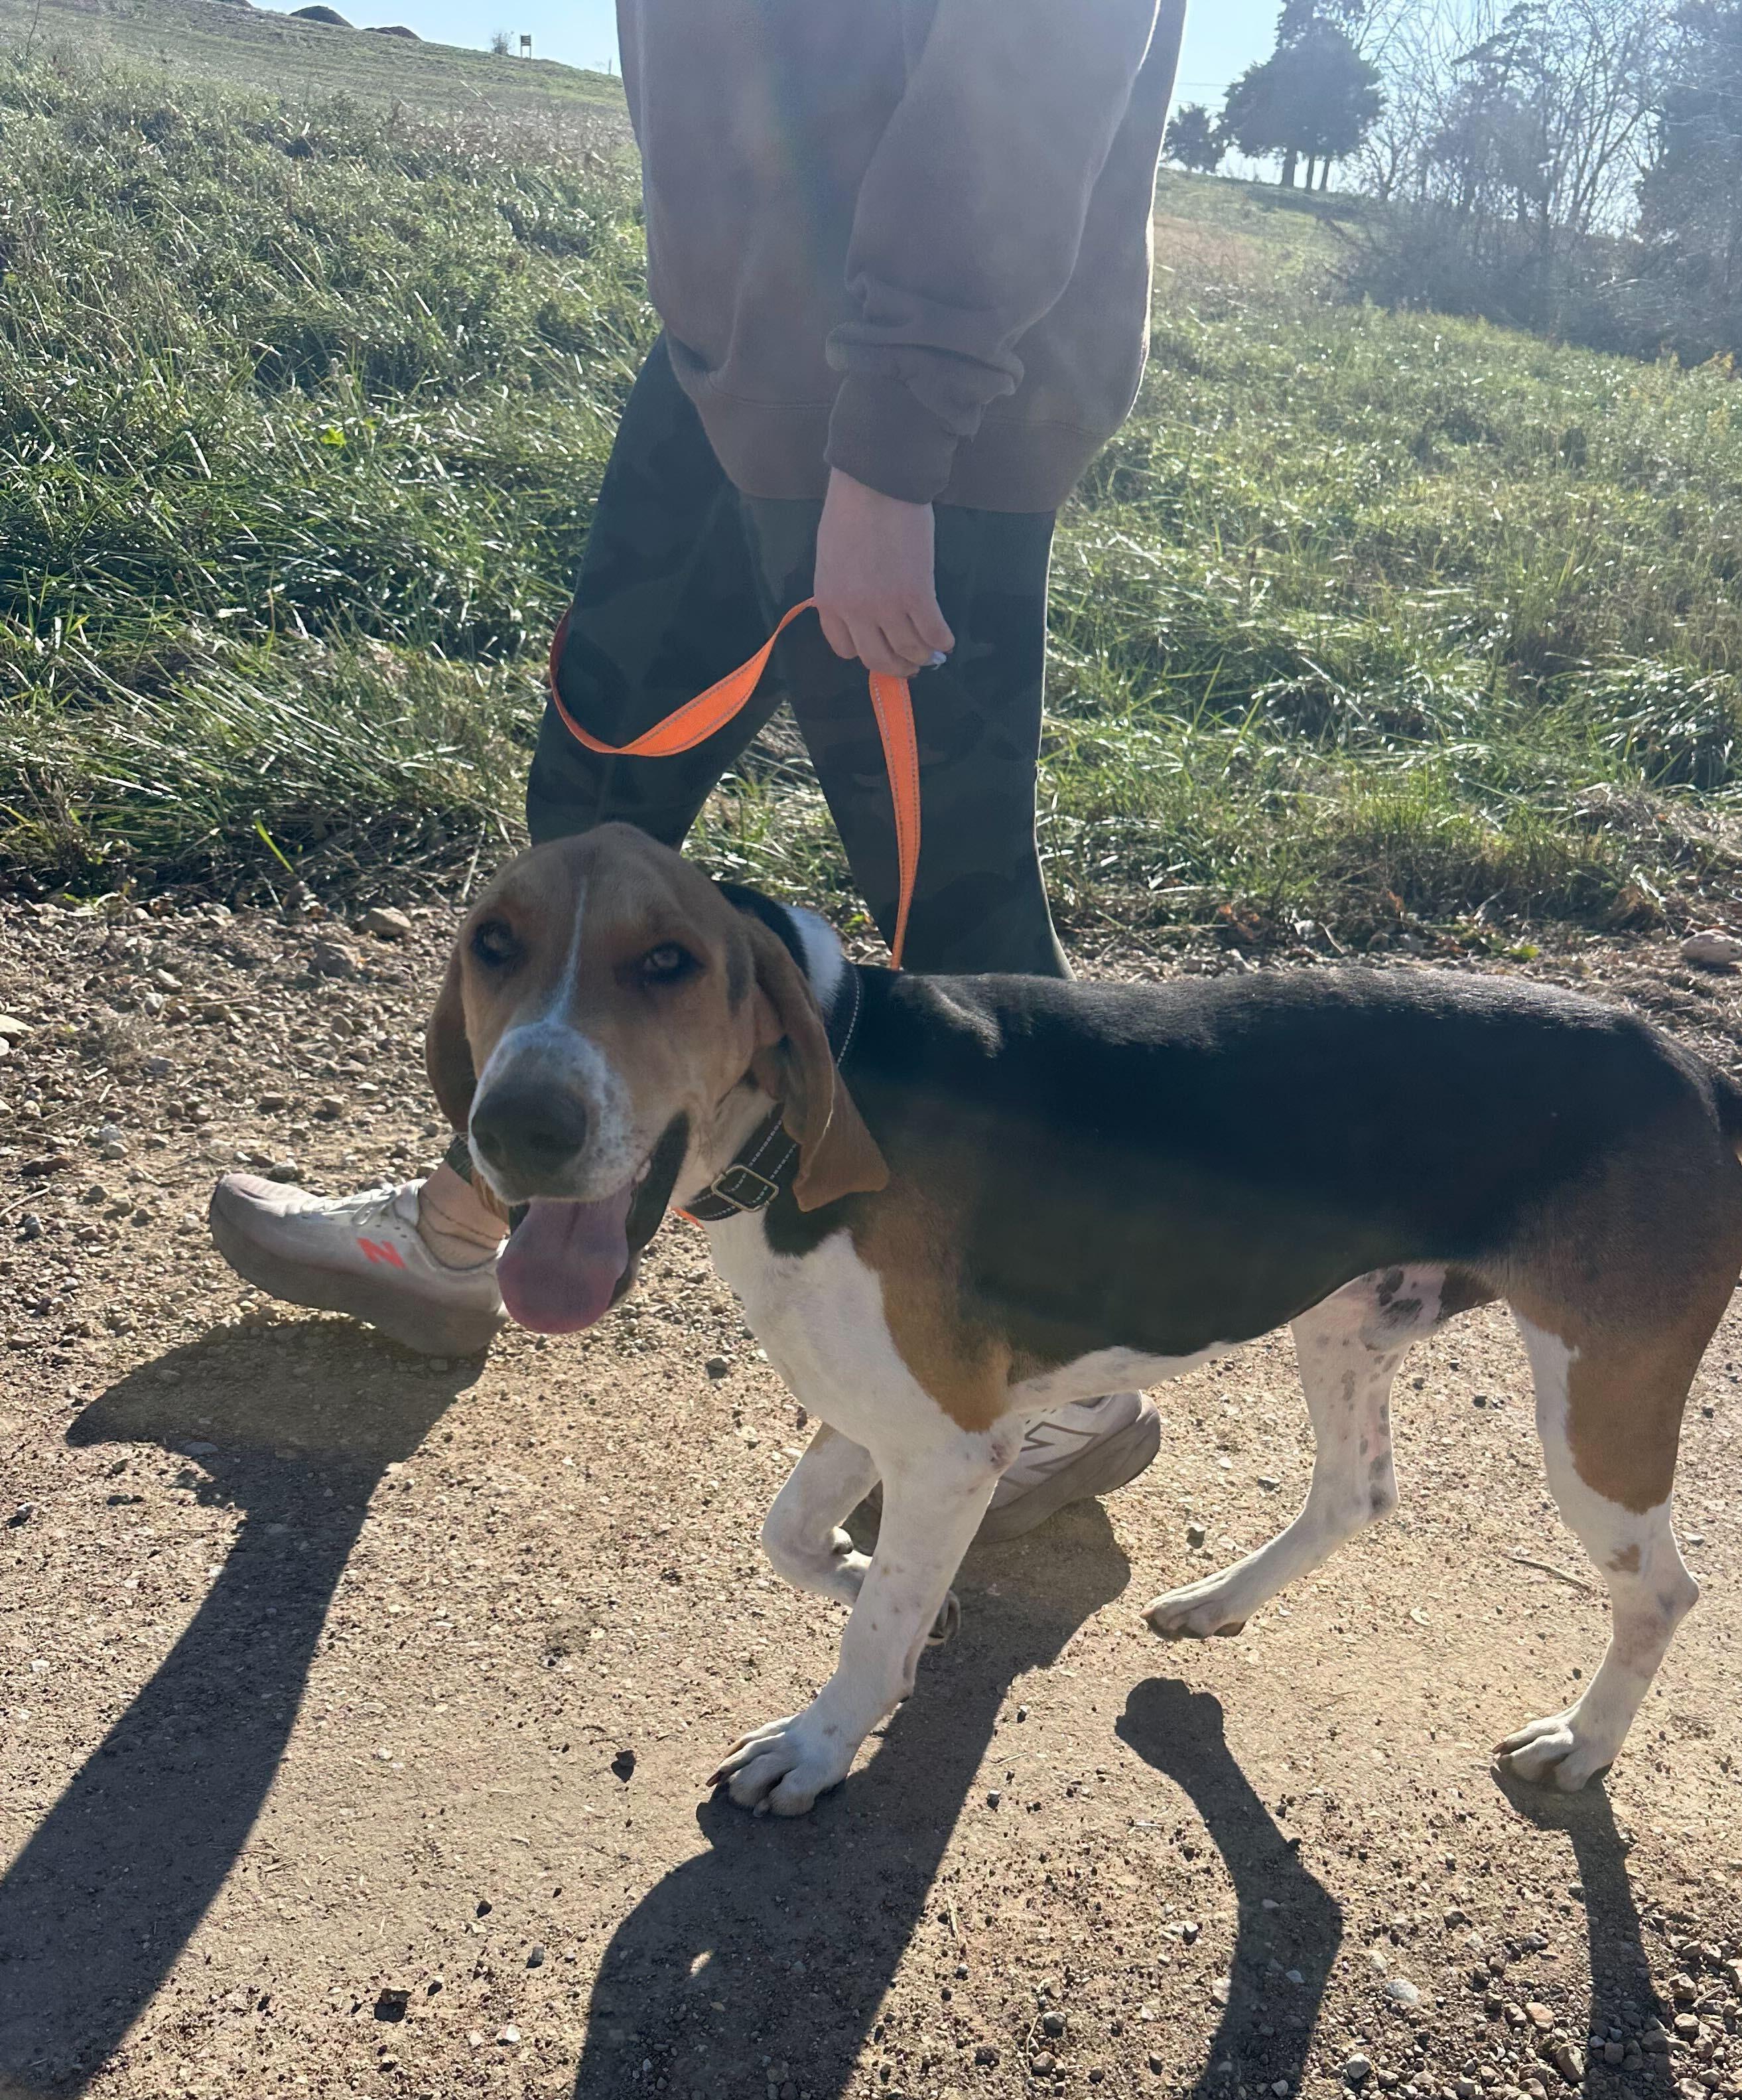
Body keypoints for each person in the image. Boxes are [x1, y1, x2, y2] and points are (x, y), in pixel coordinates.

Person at [209, 0, 1185, 1541]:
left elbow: (1037, 46)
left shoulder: (910, 417)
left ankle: (1063, 1379)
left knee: (961, 922)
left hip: (915, 412)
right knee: (587, 825)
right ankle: (478, 1227)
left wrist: (894, 441)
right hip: (730, 364)